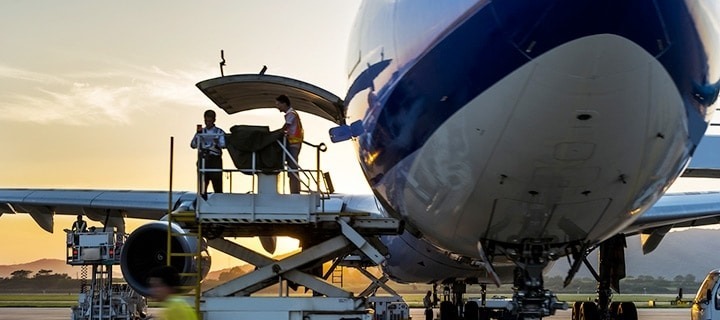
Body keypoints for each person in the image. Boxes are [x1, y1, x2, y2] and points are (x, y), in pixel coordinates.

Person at [191, 109, 226, 194]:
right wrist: (198, 137)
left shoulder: (219, 132)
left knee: (217, 184)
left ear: (214, 120)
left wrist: (217, 142)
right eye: (206, 121)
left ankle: (218, 200)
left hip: (215, 160)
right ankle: (202, 199)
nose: (208, 123)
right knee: (202, 184)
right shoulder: (200, 132)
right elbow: (192, 145)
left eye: (209, 121)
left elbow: (224, 145)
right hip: (203, 160)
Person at [275, 94, 304, 194]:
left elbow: (286, 126)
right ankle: (294, 190)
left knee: (293, 167)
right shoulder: (291, 113)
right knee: (292, 168)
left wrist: (277, 133)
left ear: (284, 103)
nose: (277, 106)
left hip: (293, 143)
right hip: (292, 143)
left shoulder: (291, 113)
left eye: (278, 104)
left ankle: (295, 191)